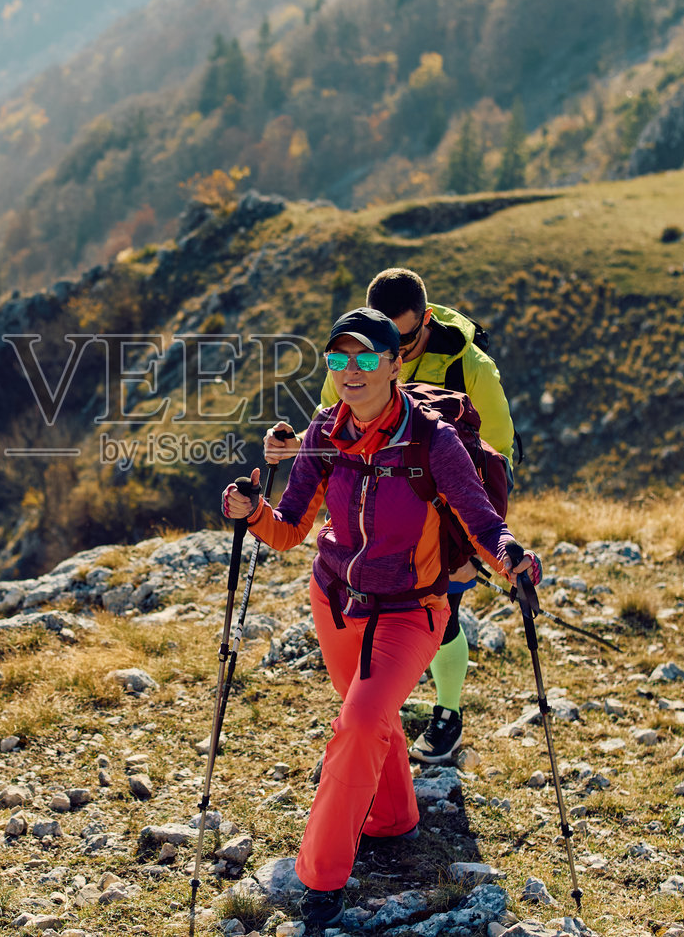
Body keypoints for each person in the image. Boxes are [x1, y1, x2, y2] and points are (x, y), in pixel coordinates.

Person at [223, 307, 540, 927]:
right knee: (369, 720)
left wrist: (511, 559)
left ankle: (320, 881)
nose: (350, 371)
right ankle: (393, 816)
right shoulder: (322, 432)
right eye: (338, 358)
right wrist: (252, 512)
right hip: (334, 600)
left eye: (366, 357)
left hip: (410, 609)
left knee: (362, 719)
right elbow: (289, 531)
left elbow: (480, 521)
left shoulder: (432, 441)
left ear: (397, 363)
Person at [265, 268, 515, 766]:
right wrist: (293, 448)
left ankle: (448, 715)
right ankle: (376, 726)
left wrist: (470, 548)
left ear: (425, 320)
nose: (394, 348)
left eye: (405, 339)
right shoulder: (357, 353)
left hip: (445, 517)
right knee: (370, 624)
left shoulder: (473, 368)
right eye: (387, 335)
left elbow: (497, 459)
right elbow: (332, 432)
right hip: (374, 520)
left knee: (442, 618)